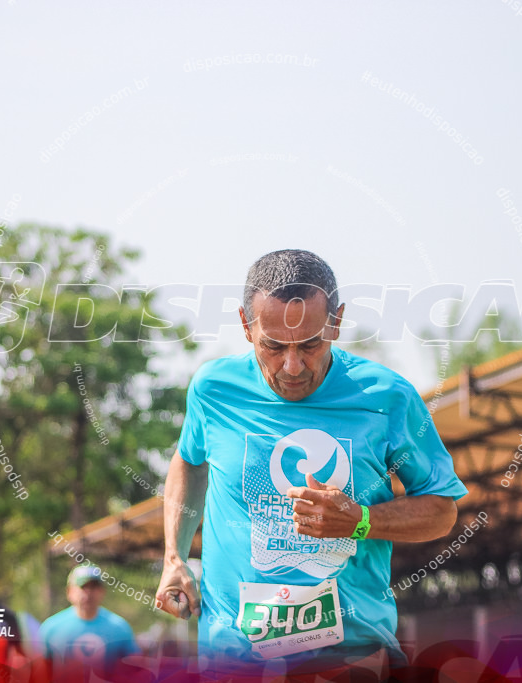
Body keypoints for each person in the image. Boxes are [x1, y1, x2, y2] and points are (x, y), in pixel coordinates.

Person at [154, 249, 468, 676]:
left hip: (349, 657)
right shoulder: (214, 389)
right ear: (246, 327)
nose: (293, 366)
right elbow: (189, 462)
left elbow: (442, 510)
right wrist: (174, 557)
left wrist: (359, 520)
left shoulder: (386, 398)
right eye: (273, 346)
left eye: (311, 344)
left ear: (336, 321)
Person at [39, 565, 140, 679]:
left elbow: (135, 671)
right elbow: (40, 672)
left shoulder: (120, 628)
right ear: (69, 592)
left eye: (93, 587)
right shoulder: (51, 628)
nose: (88, 593)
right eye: (83, 587)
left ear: (102, 591)